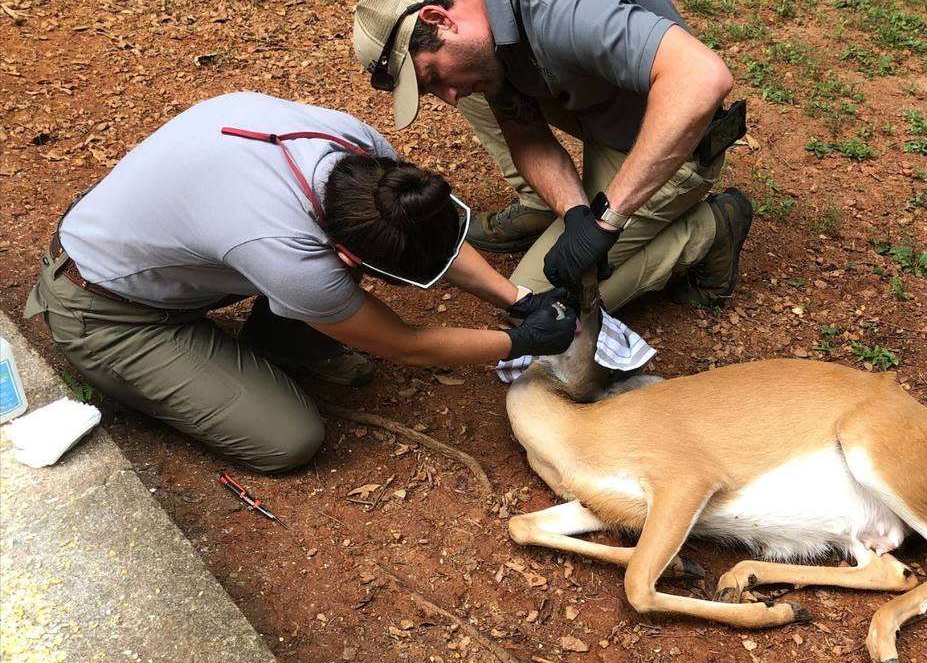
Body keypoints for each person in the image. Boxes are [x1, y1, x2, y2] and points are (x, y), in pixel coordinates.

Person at [24, 91, 574, 473]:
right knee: (289, 440)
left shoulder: (361, 158)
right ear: (338, 251)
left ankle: (274, 338)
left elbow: (421, 236)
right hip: (103, 308)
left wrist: (520, 299)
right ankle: (155, 367)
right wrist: (520, 341)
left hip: (170, 247)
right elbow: (407, 345)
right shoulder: (285, 252)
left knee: (321, 291)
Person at [351, 0, 754, 311]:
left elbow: (702, 78)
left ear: (438, 18)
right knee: (474, 79)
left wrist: (604, 221)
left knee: (547, 303)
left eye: (433, 77)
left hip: (670, 141)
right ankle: (543, 206)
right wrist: (575, 212)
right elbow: (525, 133)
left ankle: (709, 231)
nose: (448, 98)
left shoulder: (562, 7)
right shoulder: (480, 6)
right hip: (601, 106)